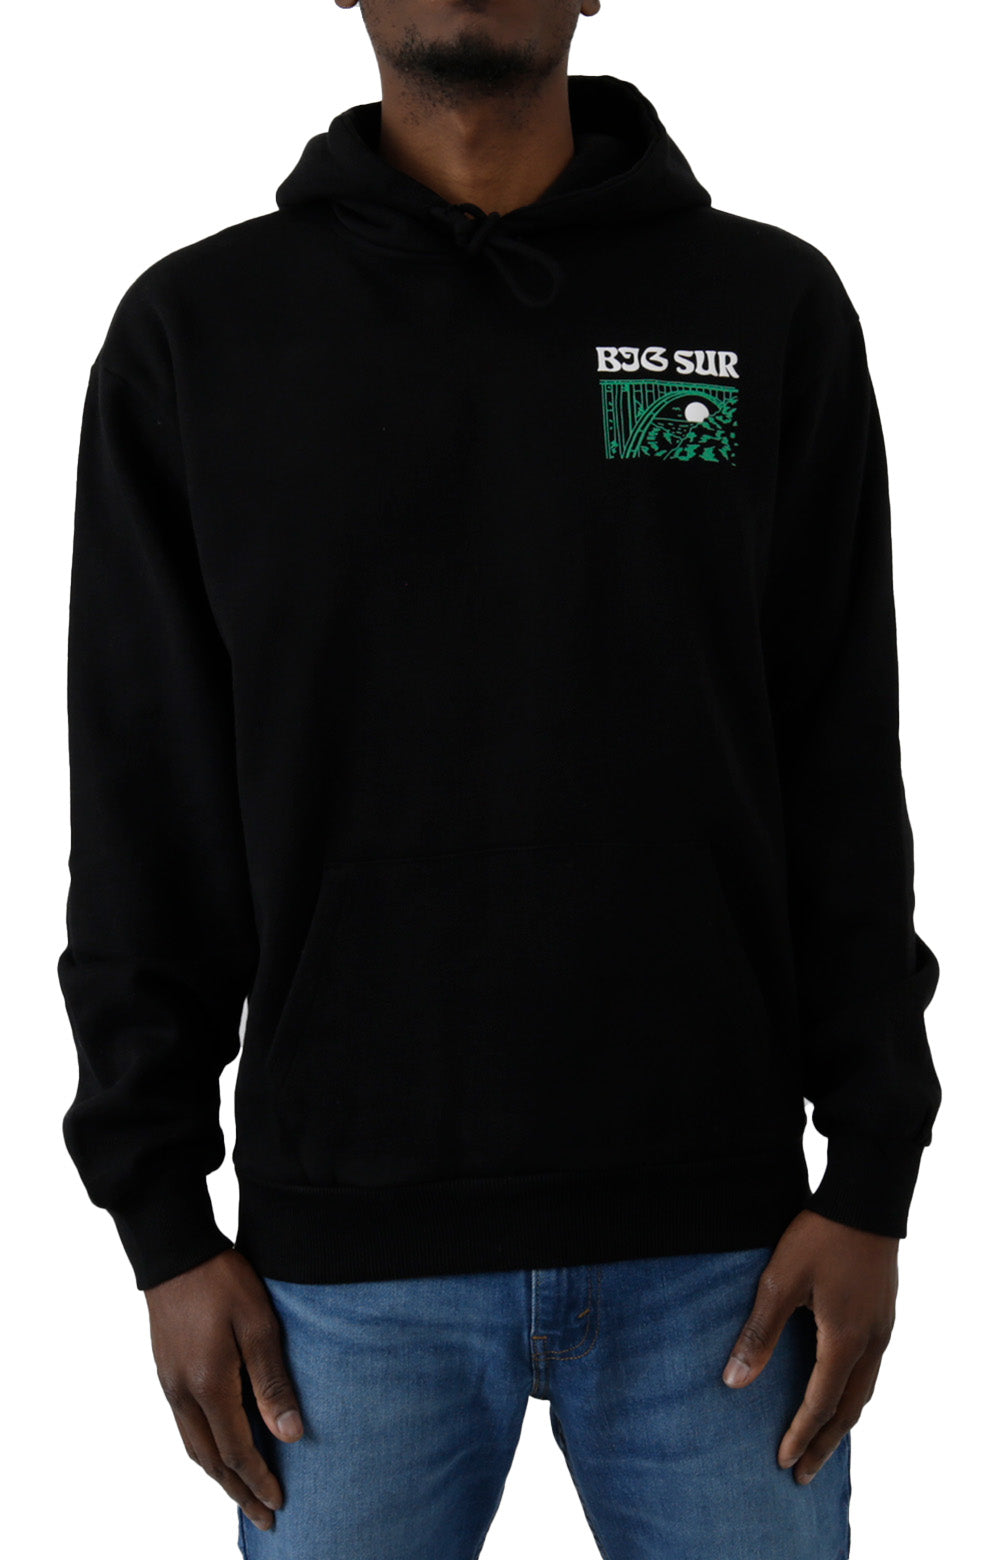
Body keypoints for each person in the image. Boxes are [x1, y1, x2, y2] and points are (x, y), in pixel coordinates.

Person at [56, 2, 942, 1555]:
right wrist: (162, 1227)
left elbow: (839, 764)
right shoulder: (201, 332)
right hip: (340, 1277)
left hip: (723, 1258)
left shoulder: (762, 308)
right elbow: (147, 801)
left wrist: (872, 1171)